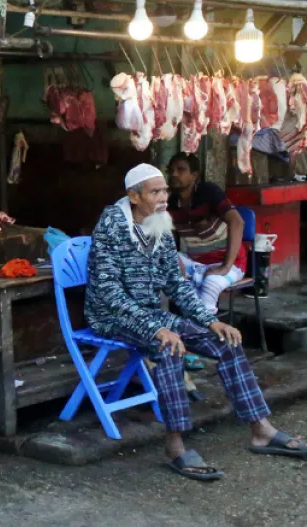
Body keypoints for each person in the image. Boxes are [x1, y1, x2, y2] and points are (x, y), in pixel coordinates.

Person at [84, 163, 306, 481]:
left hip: (151, 315)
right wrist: (157, 329)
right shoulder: (111, 226)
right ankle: (175, 446)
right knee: (169, 346)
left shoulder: (159, 225)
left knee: (225, 340)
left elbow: (175, 284)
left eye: (165, 191)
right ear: (133, 196)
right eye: (155, 192)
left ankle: (261, 429)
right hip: (112, 316)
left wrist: (209, 320)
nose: (163, 198)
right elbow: (109, 294)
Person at [167, 152, 247, 313]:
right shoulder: (171, 202)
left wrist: (225, 266)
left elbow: (237, 222)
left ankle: (206, 329)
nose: (174, 174)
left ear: (194, 175)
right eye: (171, 170)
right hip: (196, 262)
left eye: (180, 170)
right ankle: (182, 325)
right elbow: (163, 237)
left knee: (210, 283)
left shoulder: (209, 192)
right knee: (166, 267)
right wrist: (175, 260)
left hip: (231, 263)